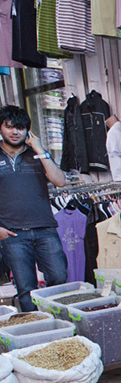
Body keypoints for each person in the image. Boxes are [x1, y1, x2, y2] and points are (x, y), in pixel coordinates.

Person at [0, 105, 68, 311]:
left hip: (45, 229)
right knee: (25, 288)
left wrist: (40, 150)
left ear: (27, 131)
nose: (15, 132)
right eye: (9, 127)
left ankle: (58, 325)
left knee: (59, 277)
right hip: (13, 234)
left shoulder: (38, 156)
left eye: (20, 128)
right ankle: (38, 331)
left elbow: (60, 181)